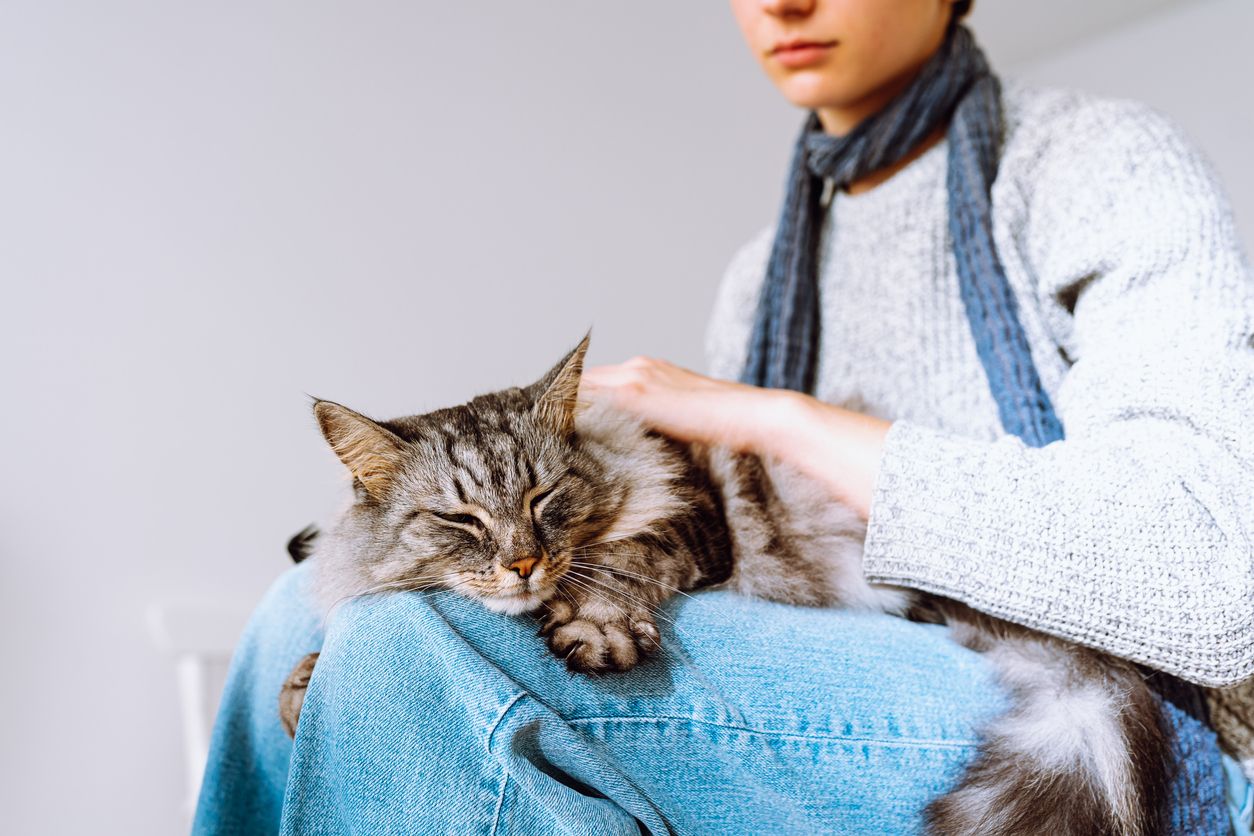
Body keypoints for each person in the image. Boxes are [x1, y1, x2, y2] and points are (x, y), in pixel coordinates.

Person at [194, 0, 1254, 833]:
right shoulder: (767, 273)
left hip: (1121, 703)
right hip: (851, 635)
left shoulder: (1096, 162)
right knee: (299, 607)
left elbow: (1214, 579)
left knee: (403, 643)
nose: (783, 3)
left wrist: (782, 419)